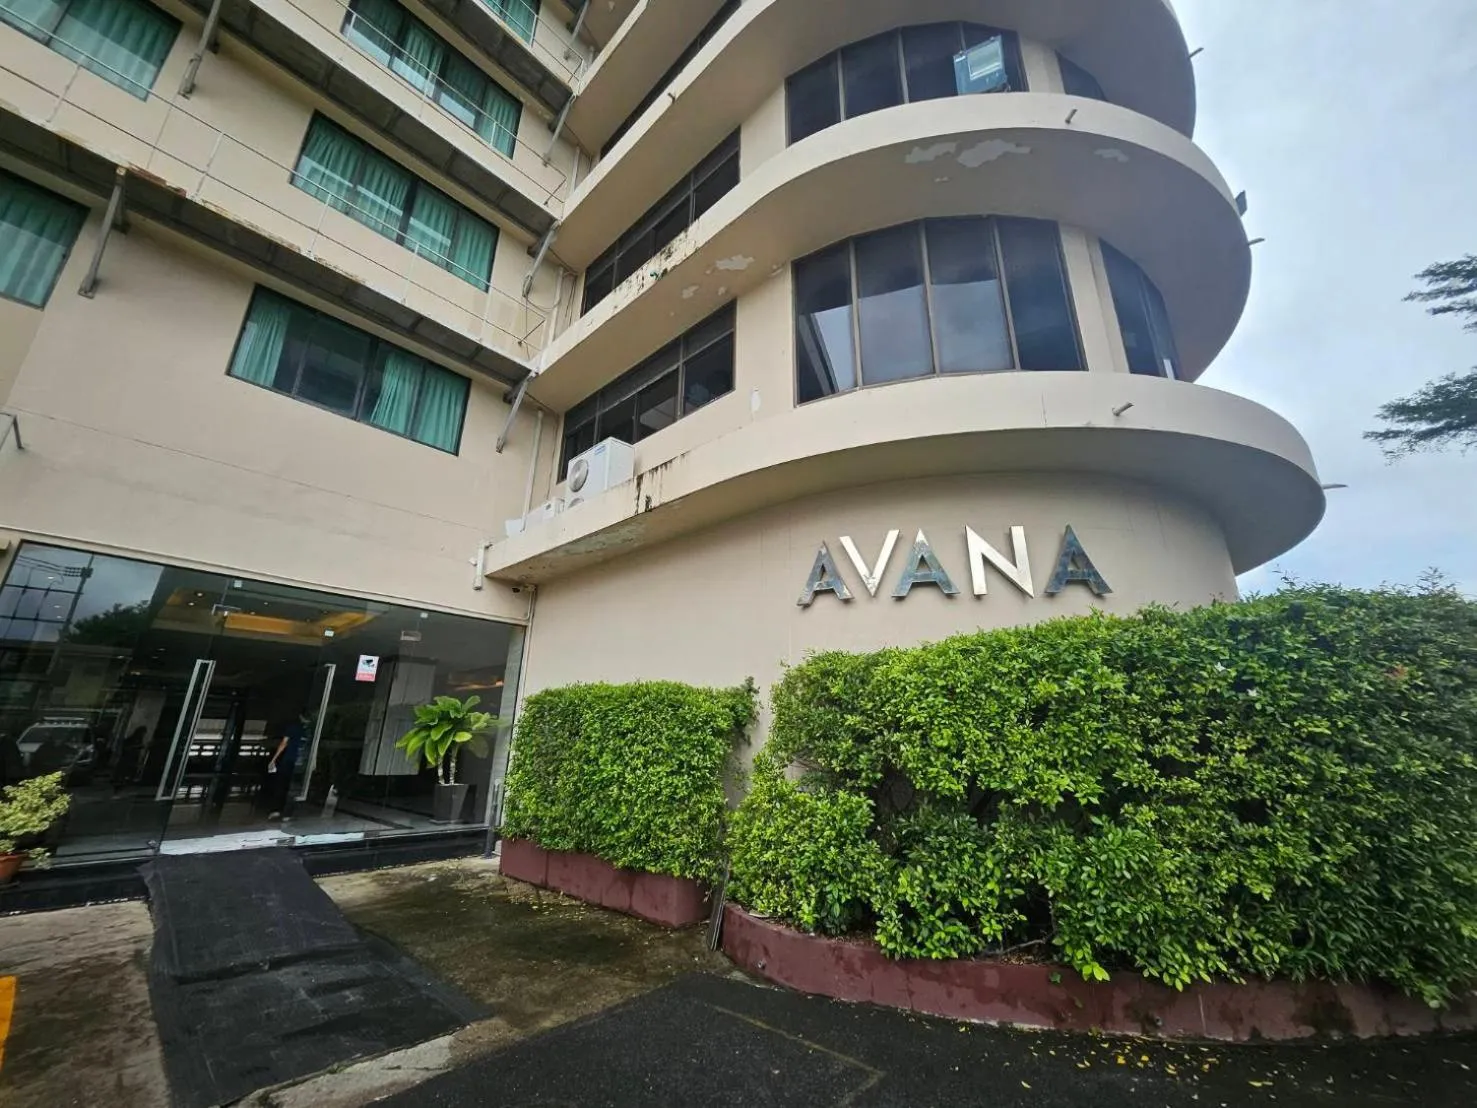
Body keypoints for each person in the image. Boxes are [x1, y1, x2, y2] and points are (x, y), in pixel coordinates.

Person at [265, 711, 310, 821]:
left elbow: (283, 743)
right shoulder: (309, 731)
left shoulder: (293, 728)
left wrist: (274, 759)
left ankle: (277, 810)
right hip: (302, 762)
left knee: (282, 785)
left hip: (289, 759)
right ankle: (288, 814)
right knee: (294, 788)